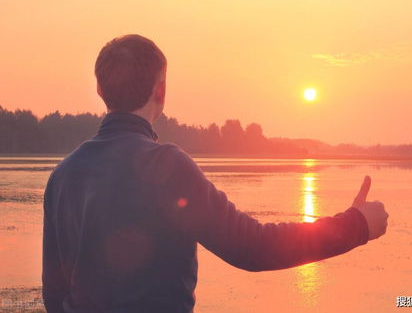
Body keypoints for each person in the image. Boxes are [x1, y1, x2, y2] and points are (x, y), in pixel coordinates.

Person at [42, 34, 389, 313]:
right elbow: (251, 247)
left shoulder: (63, 175)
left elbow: (55, 296)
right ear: (160, 91)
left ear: (101, 90)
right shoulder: (166, 165)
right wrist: (356, 225)